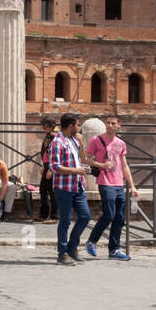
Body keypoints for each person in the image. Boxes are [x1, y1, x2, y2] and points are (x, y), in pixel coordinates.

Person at [85, 114, 138, 260]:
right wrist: (101, 165)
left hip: (119, 184)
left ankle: (114, 250)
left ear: (119, 125)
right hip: (105, 182)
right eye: (107, 123)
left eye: (113, 123)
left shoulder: (121, 143)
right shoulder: (96, 140)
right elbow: (86, 158)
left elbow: (124, 166)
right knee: (109, 214)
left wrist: (132, 186)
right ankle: (91, 241)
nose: (109, 126)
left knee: (120, 218)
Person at [49, 113, 91, 265]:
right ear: (71, 126)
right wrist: (75, 171)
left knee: (85, 216)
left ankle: (72, 247)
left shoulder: (73, 140)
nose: (79, 128)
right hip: (64, 187)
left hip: (78, 185)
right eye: (78, 125)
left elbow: (83, 159)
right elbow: (54, 166)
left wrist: (81, 145)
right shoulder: (57, 142)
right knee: (65, 221)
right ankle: (62, 253)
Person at [38, 116, 58, 222]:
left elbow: (55, 153)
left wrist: (51, 168)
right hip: (47, 165)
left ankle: (54, 216)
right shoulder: (49, 135)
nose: (43, 128)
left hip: (51, 166)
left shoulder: (55, 136)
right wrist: (44, 165)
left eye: (44, 126)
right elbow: (46, 152)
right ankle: (43, 214)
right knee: (43, 190)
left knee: (51, 191)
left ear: (50, 126)